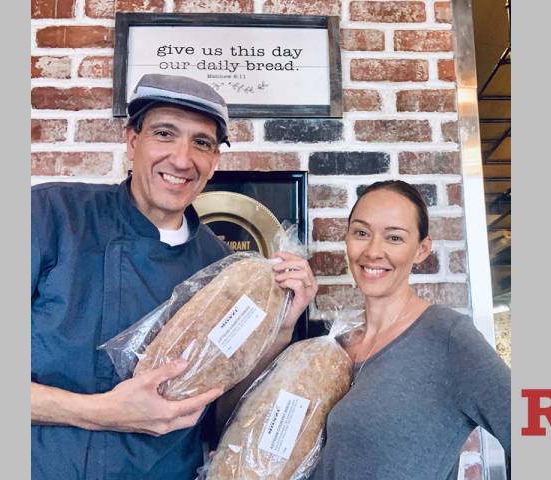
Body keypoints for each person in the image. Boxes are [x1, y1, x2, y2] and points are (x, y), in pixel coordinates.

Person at [31, 74, 316, 479]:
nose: (182, 160)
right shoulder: (52, 215)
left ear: (215, 159)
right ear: (132, 140)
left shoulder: (224, 269)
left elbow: (221, 409)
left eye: (202, 142)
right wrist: (103, 413)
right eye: (165, 134)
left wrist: (282, 329)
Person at [309, 180, 510, 480]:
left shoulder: (448, 337)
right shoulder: (337, 345)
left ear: (422, 249)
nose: (373, 251)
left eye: (394, 238)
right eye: (361, 233)